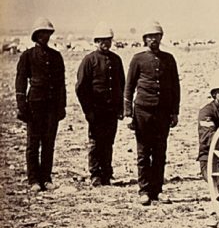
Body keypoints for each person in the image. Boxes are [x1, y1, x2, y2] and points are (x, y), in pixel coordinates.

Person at [123, 21, 180, 206]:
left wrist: (174, 112)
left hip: (163, 113)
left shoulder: (169, 59)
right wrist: (128, 114)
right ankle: (144, 190)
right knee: (143, 152)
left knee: (160, 152)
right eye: (149, 37)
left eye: (156, 36)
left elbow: (175, 87)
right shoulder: (138, 59)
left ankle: (158, 191)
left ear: (161, 38)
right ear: (144, 40)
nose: (153, 40)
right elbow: (129, 88)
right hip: (142, 112)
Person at [15, 17, 66, 192]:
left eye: (47, 33)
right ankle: (33, 180)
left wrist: (61, 107)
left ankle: (46, 178)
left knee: (49, 143)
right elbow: (21, 82)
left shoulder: (56, 56)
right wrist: (22, 105)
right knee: (33, 143)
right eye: (41, 33)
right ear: (36, 35)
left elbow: (61, 84)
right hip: (34, 105)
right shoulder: (27, 56)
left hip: (52, 106)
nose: (45, 36)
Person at [75, 22, 125, 187]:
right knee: (96, 142)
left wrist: (120, 108)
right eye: (102, 40)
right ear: (96, 42)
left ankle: (106, 173)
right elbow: (81, 87)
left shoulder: (116, 60)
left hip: (111, 110)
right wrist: (88, 110)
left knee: (109, 142)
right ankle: (95, 174)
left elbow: (121, 85)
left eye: (108, 40)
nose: (106, 44)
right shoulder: (89, 60)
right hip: (96, 110)